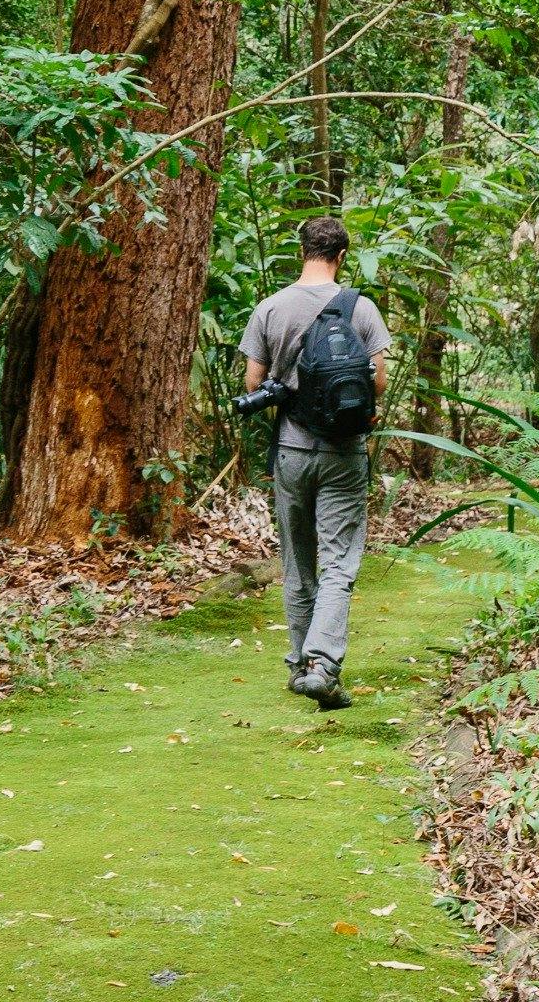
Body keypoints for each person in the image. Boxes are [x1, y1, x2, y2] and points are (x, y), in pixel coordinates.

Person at [239, 215, 392, 710]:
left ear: (301, 251)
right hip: (344, 454)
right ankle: (323, 666)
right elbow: (379, 383)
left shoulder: (271, 307)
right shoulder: (361, 309)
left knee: (298, 563)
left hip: (292, 450)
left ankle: (300, 665)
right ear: (342, 256)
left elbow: (253, 383)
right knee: (339, 563)